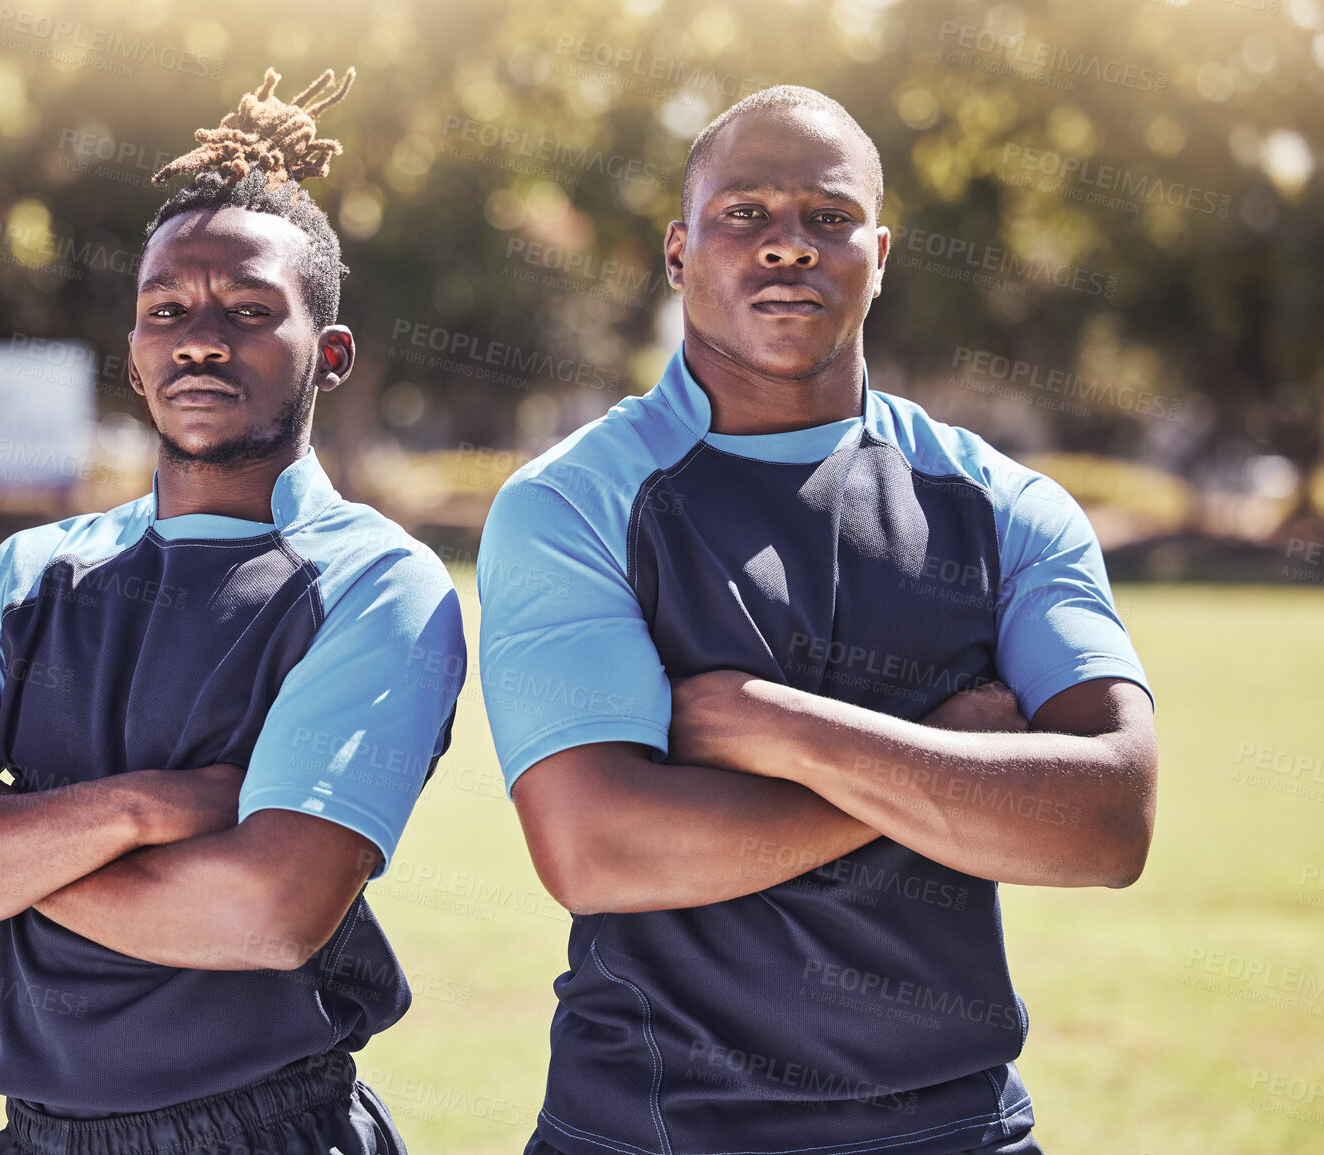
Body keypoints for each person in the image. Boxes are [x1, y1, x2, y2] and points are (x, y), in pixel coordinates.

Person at [477, 85, 1157, 1155]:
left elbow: (1109, 819)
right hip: (651, 1129)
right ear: (678, 250)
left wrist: (781, 731)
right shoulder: (572, 501)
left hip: (956, 1128)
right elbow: (598, 846)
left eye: (828, 219)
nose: (788, 245)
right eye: (744, 213)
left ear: (878, 255)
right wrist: (953, 761)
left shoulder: (1003, 507)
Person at [0, 66, 463, 1155]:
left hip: (268, 1133)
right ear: (134, 360)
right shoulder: (29, 574)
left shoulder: (377, 584)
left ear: (330, 355)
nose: (200, 338)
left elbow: (266, 915)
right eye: (166, 311)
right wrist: (140, 809)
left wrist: (7, 851)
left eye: (250, 311)